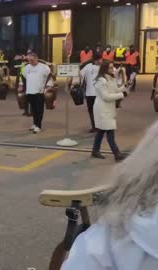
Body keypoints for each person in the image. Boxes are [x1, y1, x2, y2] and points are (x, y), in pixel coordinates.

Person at [61, 120, 158, 270]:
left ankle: (99, 150)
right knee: (107, 134)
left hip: (106, 114)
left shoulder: (107, 239)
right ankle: (114, 152)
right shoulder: (115, 239)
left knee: (103, 133)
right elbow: (106, 95)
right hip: (105, 113)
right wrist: (119, 94)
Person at [91, 60, 128, 161]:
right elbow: (106, 96)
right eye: (111, 68)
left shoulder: (111, 78)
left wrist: (124, 87)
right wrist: (122, 95)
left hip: (108, 109)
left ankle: (95, 151)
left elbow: (115, 90)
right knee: (110, 132)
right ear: (105, 69)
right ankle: (117, 154)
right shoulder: (101, 81)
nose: (113, 69)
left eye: (113, 67)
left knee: (101, 131)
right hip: (102, 109)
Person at [22, 52, 51, 134]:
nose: (30, 62)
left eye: (32, 60)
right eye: (29, 60)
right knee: (33, 110)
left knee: (39, 110)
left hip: (39, 92)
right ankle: (34, 124)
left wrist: (48, 86)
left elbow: (50, 76)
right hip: (30, 91)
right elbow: (24, 77)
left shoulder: (44, 67)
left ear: (36, 58)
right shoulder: (27, 67)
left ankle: (39, 126)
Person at [81, 53, 102, 133]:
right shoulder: (103, 67)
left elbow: (80, 75)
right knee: (97, 111)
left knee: (92, 111)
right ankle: (98, 126)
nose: (101, 61)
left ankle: (95, 126)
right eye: (100, 59)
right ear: (97, 60)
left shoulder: (87, 67)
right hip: (98, 94)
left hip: (90, 94)